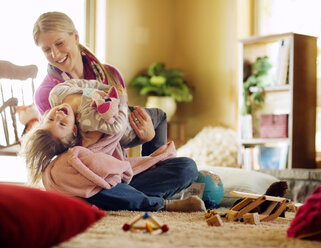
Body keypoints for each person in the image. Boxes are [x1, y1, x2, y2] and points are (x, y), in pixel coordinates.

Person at [31, 11, 204, 212]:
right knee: (81, 186)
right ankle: (142, 200)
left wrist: (147, 137)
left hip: (117, 172)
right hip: (86, 175)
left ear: (76, 37)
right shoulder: (47, 94)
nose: (55, 54)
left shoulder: (110, 75)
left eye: (59, 43)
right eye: (46, 49)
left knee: (187, 167)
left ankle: (125, 198)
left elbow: (120, 131)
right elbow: (60, 148)